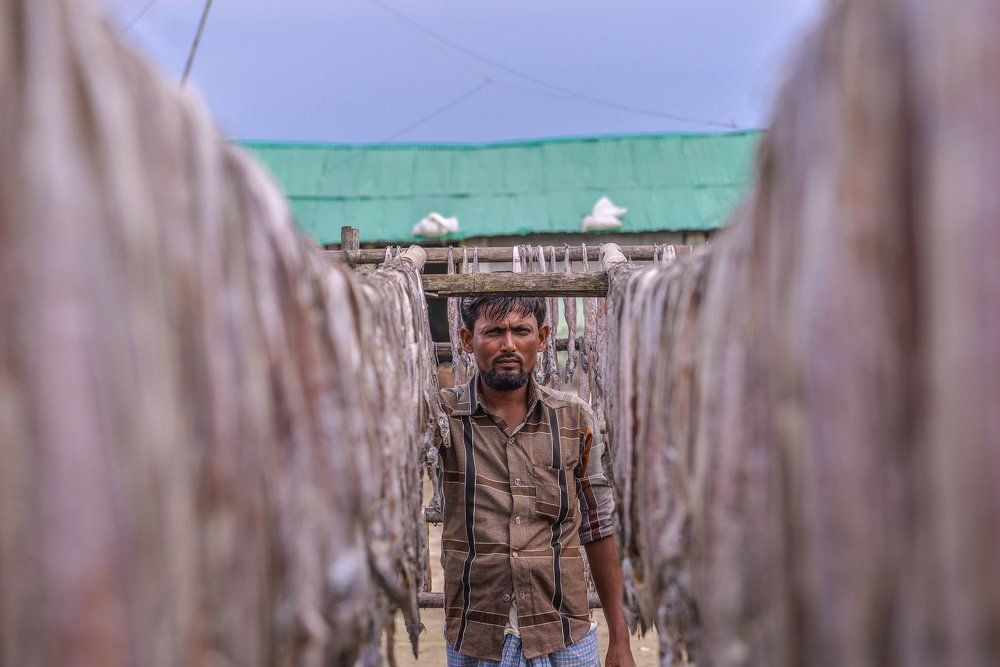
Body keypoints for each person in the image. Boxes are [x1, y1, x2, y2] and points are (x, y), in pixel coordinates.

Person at [437, 295, 636, 667]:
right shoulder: (442, 417)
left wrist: (619, 640)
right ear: (467, 339)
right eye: (494, 332)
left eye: (521, 331)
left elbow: (598, 525)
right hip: (476, 638)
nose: (508, 344)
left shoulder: (574, 418)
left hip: (564, 635)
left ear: (542, 337)